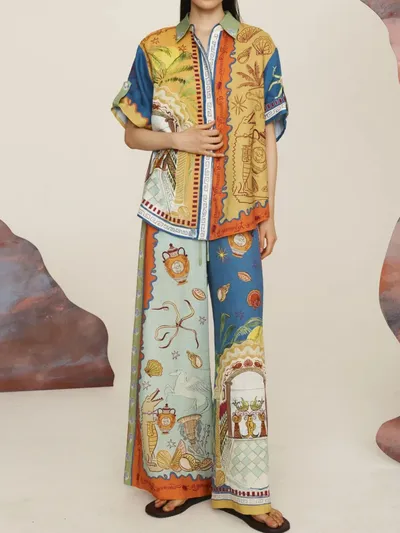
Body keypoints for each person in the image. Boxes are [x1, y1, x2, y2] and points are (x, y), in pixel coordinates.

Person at [111, 1, 290, 531]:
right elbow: (131, 132)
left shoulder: (259, 45)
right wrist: (178, 139)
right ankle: (178, 478)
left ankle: (246, 489)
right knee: (173, 348)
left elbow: (269, 136)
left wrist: (268, 213)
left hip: (239, 217)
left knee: (243, 350)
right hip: (170, 217)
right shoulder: (156, 46)